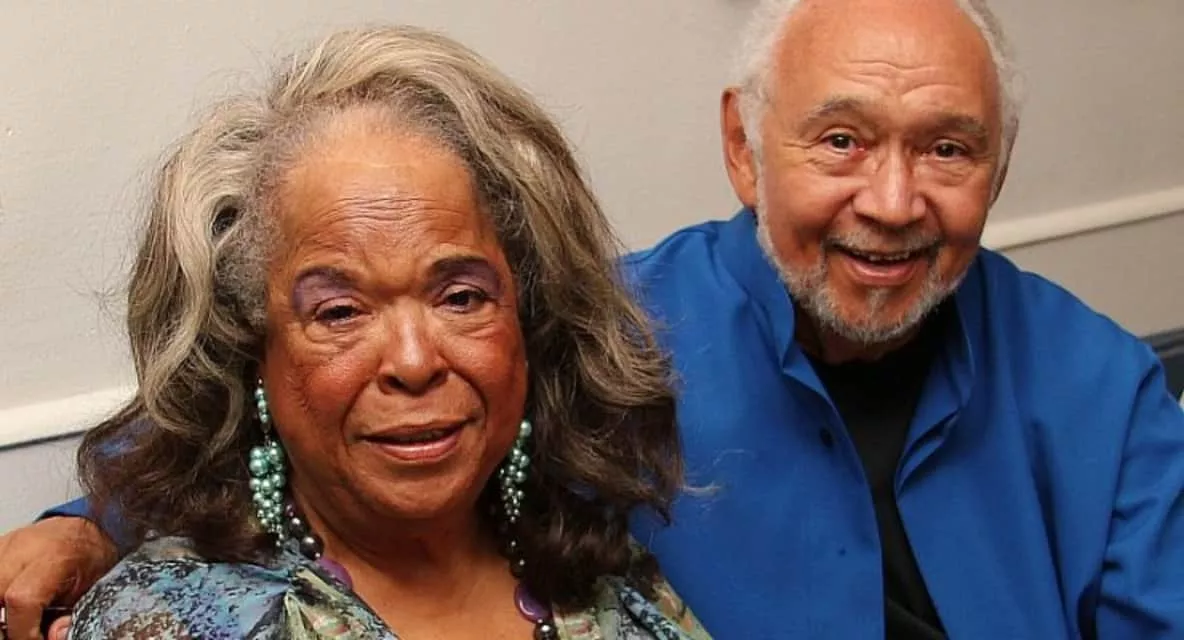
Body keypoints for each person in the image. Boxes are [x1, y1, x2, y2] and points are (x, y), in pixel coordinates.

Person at [4, 0, 1184, 638]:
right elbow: (299, 401)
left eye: (946, 150)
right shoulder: (611, 329)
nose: (890, 200)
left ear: (997, 167)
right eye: (839, 139)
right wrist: (84, 523)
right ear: (741, 146)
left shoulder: (1102, 383)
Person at [3, 25, 711, 640]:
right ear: (252, 355)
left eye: (461, 297)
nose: (414, 360)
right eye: (339, 312)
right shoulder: (165, 620)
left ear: (529, 319)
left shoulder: (607, 575)